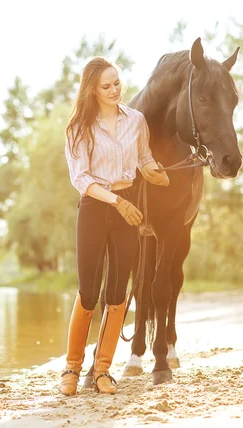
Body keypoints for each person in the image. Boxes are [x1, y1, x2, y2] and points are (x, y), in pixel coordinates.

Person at [60, 57, 169, 396]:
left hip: (126, 206)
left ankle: (103, 370)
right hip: (95, 207)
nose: (114, 90)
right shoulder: (79, 128)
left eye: (117, 83)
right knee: (89, 292)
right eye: (106, 86)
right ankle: (72, 369)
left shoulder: (136, 120)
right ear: (92, 90)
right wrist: (117, 202)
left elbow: (143, 158)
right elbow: (82, 180)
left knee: (118, 292)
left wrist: (156, 172)